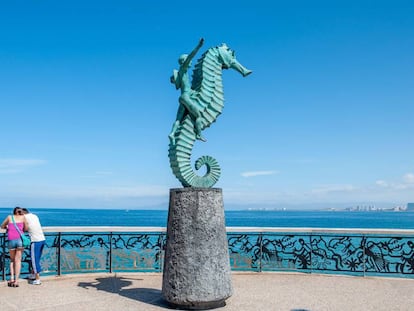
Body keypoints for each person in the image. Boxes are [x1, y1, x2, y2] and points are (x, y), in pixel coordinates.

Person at [169, 38, 206, 144]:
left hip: (182, 98)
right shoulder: (183, 69)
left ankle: (172, 134)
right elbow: (191, 56)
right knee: (198, 115)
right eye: (188, 61)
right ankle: (199, 134)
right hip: (186, 96)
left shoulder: (180, 74)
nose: (190, 62)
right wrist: (199, 46)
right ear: (184, 62)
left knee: (178, 120)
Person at [1, 207, 28, 287]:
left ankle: (11, 278)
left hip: (11, 240)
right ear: (21, 212)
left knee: (12, 260)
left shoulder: (9, 217)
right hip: (20, 240)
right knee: (18, 260)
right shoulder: (23, 217)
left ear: (14, 212)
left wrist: (8, 228)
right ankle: (16, 281)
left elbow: (2, 226)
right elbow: (26, 228)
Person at [22, 208, 45, 285]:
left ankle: (38, 279)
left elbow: (24, 228)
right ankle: (32, 275)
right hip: (42, 239)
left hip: (35, 240)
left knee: (34, 260)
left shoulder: (24, 217)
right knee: (37, 259)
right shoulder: (34, 216)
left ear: (23, 213)